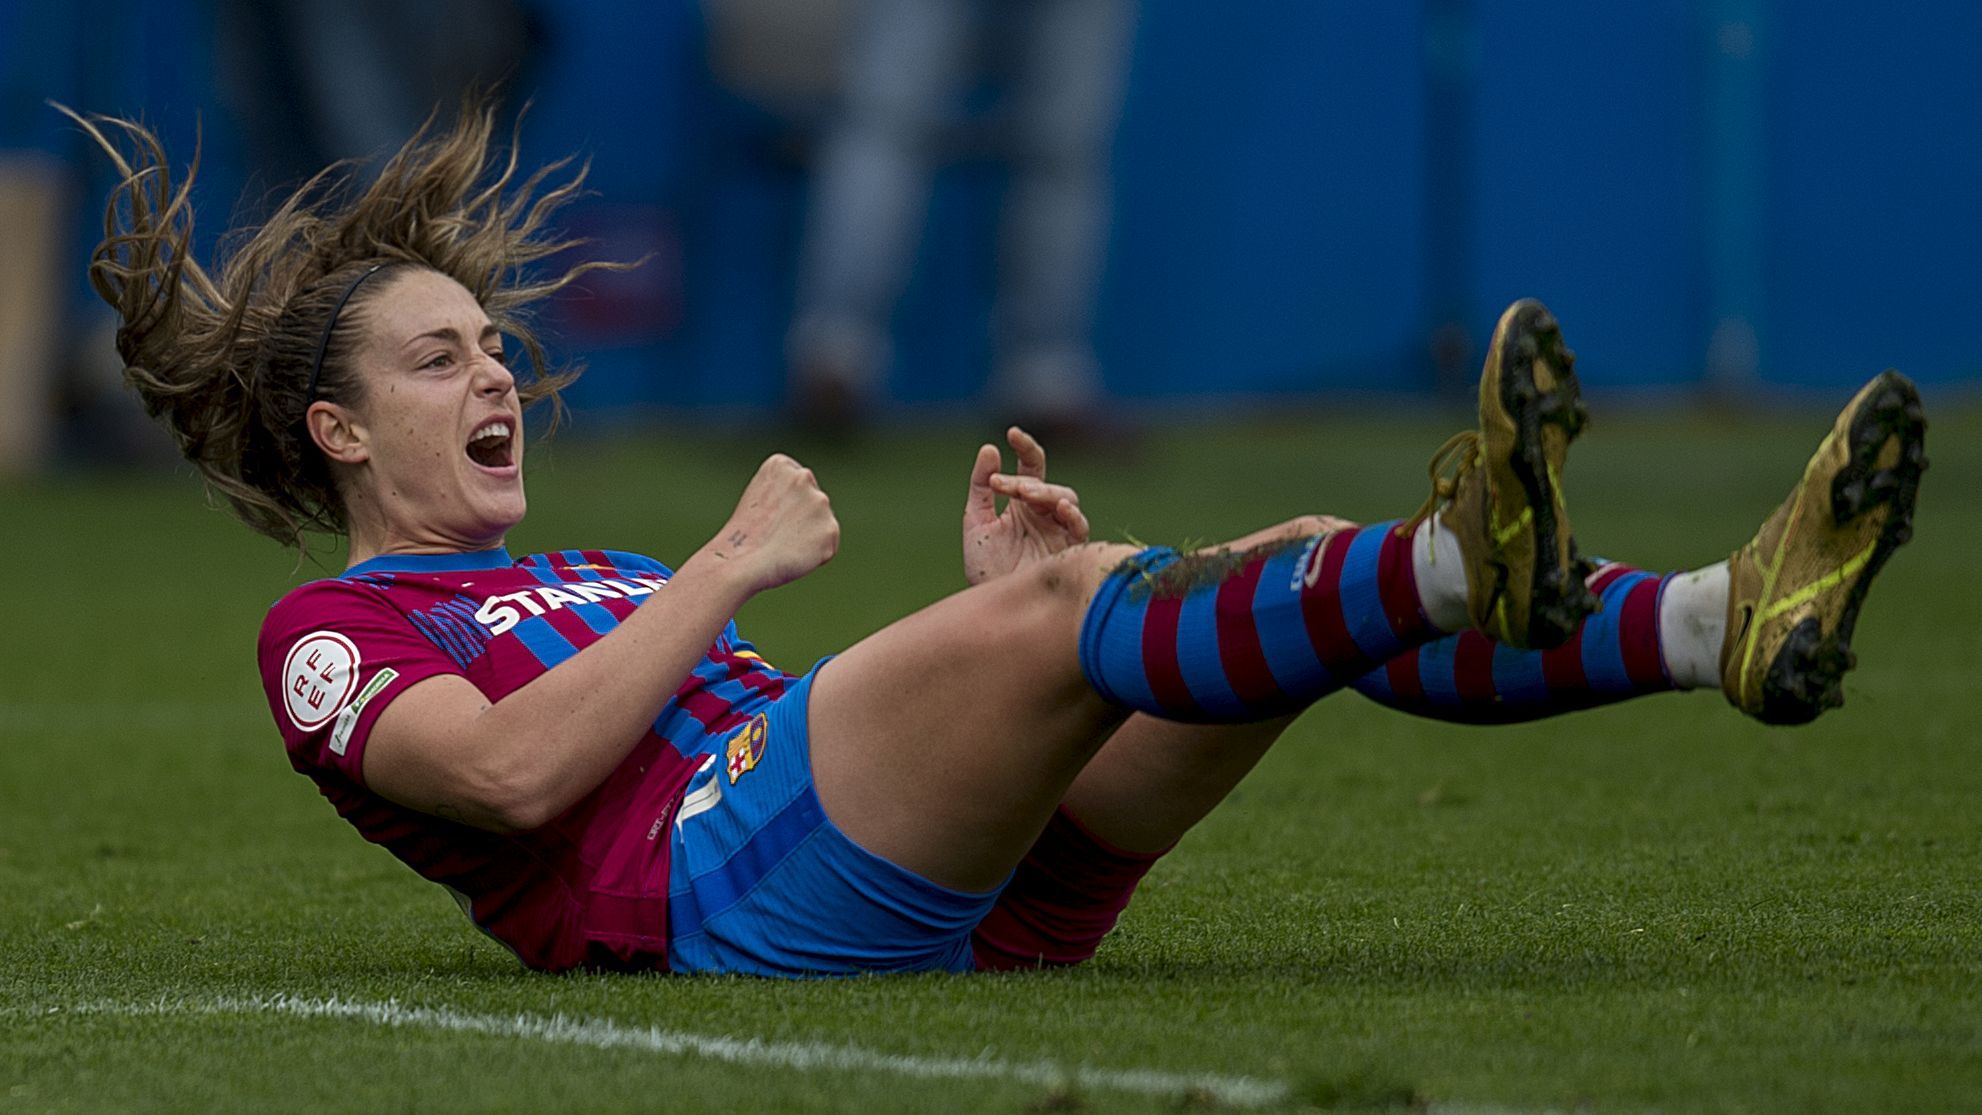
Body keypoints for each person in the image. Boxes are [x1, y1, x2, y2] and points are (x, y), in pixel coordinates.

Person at [68, 100, 1926, 976]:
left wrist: (991, 638)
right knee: (1100, 598)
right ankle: (1464, 559)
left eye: (495, 346)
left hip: (895, 862)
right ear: (335, 429)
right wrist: (737, 569)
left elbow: (793, 724)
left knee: (1279, 562)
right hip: (728, 906)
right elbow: (512, 778)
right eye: (436, 358)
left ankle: (1710, 619)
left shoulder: (597, 579)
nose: (498, 377)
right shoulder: (331, 629)